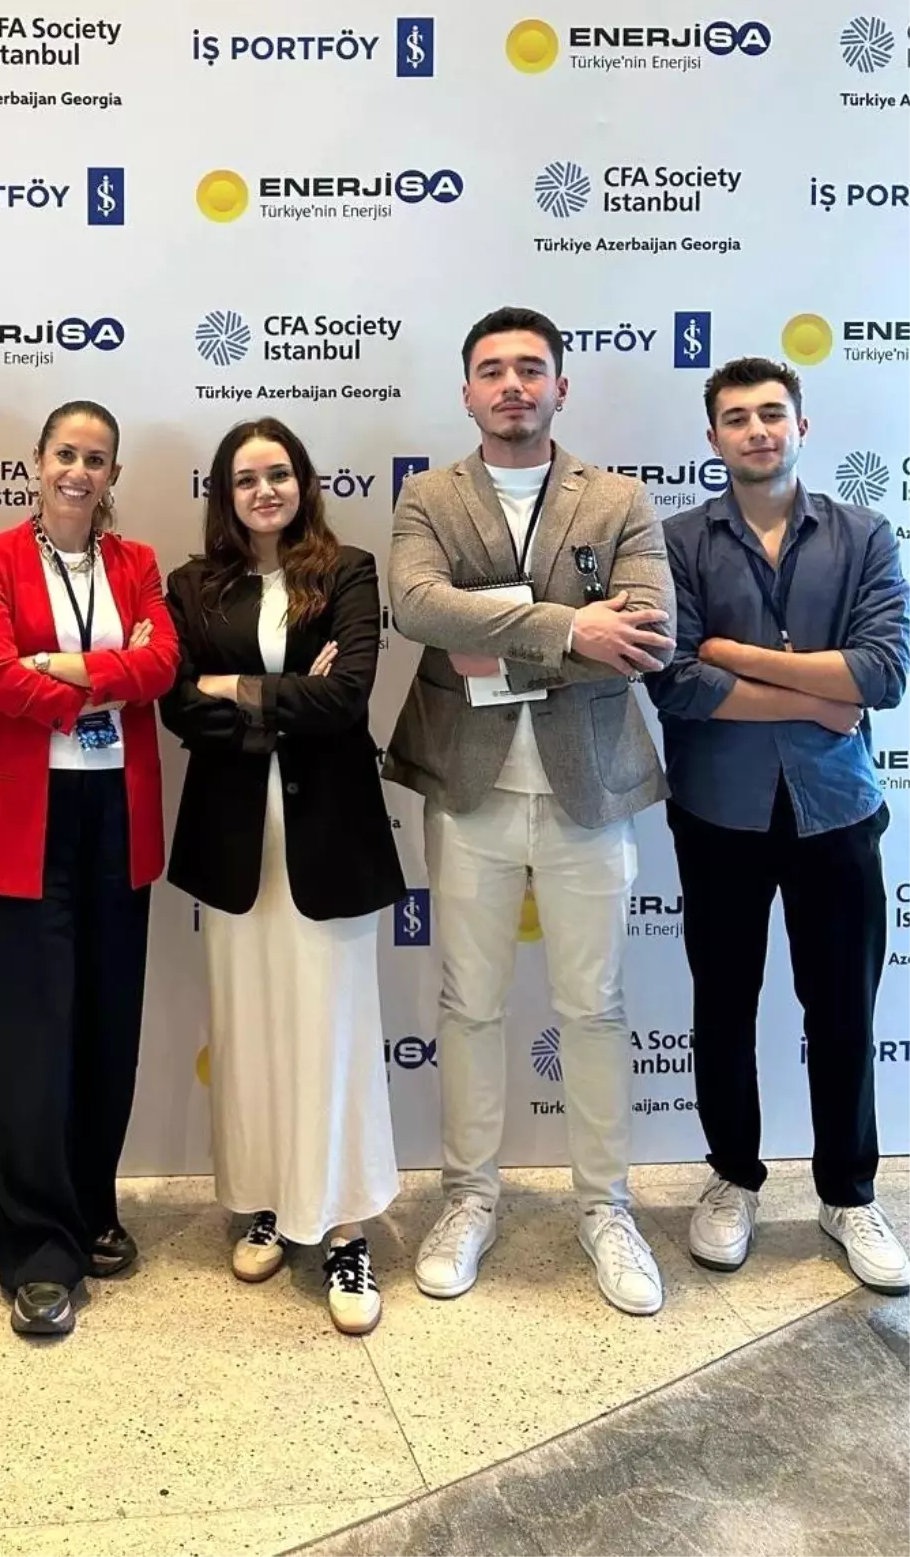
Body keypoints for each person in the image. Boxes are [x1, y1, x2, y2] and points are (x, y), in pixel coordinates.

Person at [385, 305, 677, 1316]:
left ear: (562, 385)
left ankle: (606, 1207)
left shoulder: (620, 498)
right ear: (467, 391)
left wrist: (496, 637)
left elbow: (648, 634)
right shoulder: (428, 495)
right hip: (468, 787)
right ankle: (469, 1197)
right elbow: (417, 608)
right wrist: (568, 629)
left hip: (587, 785)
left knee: (594, 1006)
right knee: (468, 1003)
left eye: (530, 368)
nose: (512, 384)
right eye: (492, 369)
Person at [646, 357, 910, 1293]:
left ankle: (849, 1193)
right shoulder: (677, 542)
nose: (756, 430)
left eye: (771, 414)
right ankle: (732, 1178)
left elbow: (881, 674)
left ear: (802, 424)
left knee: (841, 1009)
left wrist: (737, 653)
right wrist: (818, 695)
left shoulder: (865, 534)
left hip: (837, 809)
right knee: (722, 1004)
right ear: (712, 438)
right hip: (718, 811)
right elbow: (677, 679)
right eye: (736, 418)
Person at [161, 418, 405, 1336]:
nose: (264, 491)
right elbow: (179, 708)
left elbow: (346, 700)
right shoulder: (193, 586)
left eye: (279, 474)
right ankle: (267, 1198)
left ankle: (343, 1225)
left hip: (329, 838)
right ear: (224, 494)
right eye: (245, 478)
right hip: (233, 842)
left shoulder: (349, 572)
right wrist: (278, 693)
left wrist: (235, 687)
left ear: (303, 482)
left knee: (333, 1028)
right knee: (251, 1025)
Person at [0, 399, 178, 1338]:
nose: (78, 471)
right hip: (23, 821)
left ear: (113, 475)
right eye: (65, 455)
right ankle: (37, 1250)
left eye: (96, 459)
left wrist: (62, 665)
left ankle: (91, 1210)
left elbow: (163, 664)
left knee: (105, 1025)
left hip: (116, 816)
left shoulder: (137, 563)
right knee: (30, 1036)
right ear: (36, 463)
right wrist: (103, 672)